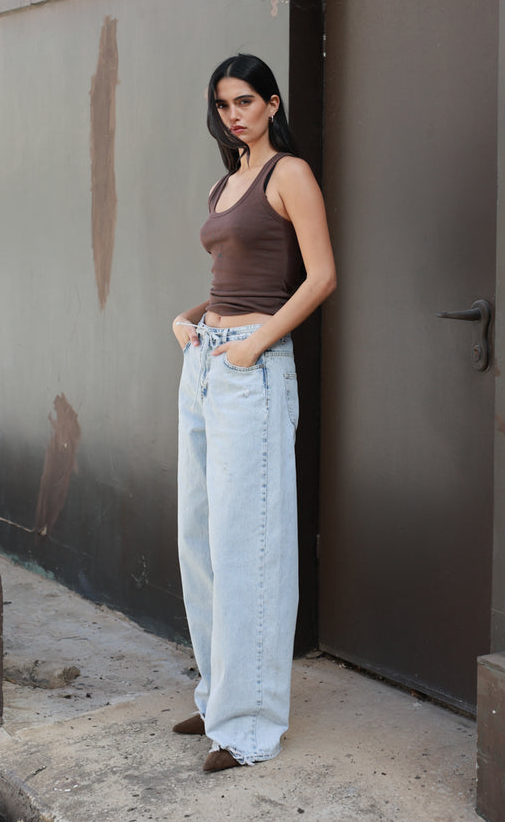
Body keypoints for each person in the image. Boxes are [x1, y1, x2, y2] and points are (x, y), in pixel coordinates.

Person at [171, 53, 336, 773]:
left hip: (251, 368)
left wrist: (253, 346)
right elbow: (227, 282)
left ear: (271, 103)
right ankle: (218, 696)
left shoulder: (288, 174)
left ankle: (249, 726)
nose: (233, 114)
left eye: (245, 101)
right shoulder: (226, 181)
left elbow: (320, 277)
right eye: (223, 104)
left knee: (250, 544)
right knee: (201, 536)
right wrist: (189, 318)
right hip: (206, 360)